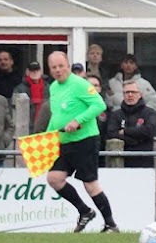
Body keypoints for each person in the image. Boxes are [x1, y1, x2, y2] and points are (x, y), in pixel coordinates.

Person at [43, 50, 119, 231]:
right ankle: (85, 211)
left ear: (68, 66)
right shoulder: (53, 87)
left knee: (90, 184)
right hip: (64, 141)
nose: (58, 70)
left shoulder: (79, 84)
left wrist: (78, 120)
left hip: (85, 140)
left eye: (61, 66)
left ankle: (110, 224)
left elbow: (99, 105)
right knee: (54, 179)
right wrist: (47, 136)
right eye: (54, 67)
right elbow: (57, 115)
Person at [105, 80, 156, 169]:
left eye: (133, 92)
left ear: (140, 94)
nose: (130, 95)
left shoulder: (149, 113)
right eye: (127, 92)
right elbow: (111, 133)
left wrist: (125, 131)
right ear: (123, 95)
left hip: (144, 164)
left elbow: (149, 131)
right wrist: (134, 140)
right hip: (120, 163)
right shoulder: (116, 114)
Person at [22, 60, 49, 132]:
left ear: (41, 72)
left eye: (37, 70)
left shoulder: (49, 88)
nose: (35, 72)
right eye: (32, 70)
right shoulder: (20, 89)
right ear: (27, 72)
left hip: (46, 126)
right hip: (26, 127)